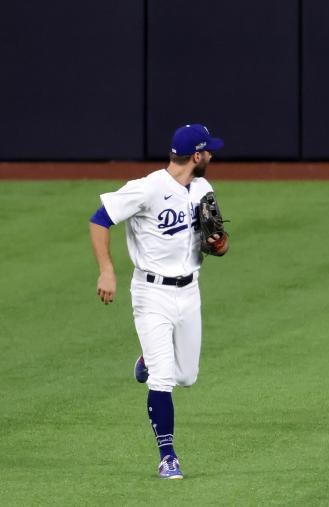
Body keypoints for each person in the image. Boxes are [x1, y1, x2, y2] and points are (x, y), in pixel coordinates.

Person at [89, 124, 229, 478]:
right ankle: (168, 455)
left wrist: (220, 245)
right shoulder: (148, 188)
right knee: (164, 379)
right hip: (151, 294)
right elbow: (99, 220)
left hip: (190, 291)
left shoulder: (203, 188)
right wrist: (107, 270)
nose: (212, 155)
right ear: (196, 156)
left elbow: (216, 240)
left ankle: (147, 360)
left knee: (187, 376)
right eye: (208, 150)